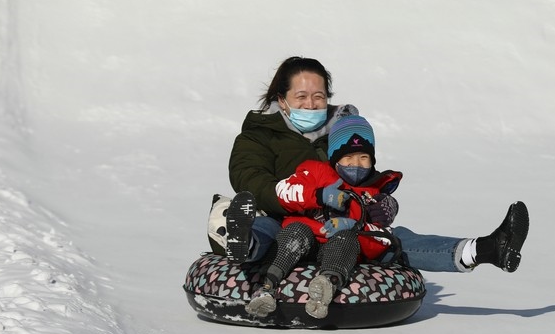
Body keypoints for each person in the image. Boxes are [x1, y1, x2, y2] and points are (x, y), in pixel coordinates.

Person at [225, 56, 528, 274]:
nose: (311, 104)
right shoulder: (259, 136)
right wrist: (304, 197)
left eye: (318, 96)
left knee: (395, 239)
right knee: (265, 228)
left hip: (340, 223)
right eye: (301, 96)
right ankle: (245, 245)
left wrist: (380, 202)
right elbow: (249, 179)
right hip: (284, 219)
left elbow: (363, 174)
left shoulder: (343, 132)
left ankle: (486, 249)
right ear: (282, 100)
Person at [244, 114, 401, 319]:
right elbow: (284, 191)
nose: (356, 164)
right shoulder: (315, 172)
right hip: (305, 237)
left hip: (336, 246)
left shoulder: (371, 194)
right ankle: (267, 285)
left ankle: (326, 286)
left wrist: (354, 226)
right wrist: (318, 195)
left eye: (364, 158)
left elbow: (381, 239)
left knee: (345, 239)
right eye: (348, 158)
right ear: (335, 158)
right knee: (295, 231)